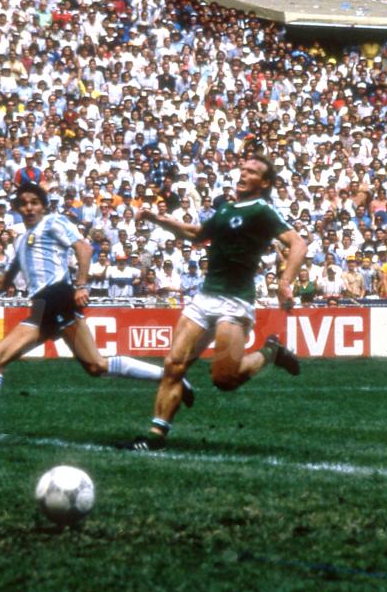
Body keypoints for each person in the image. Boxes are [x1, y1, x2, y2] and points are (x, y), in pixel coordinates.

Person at [0, 183, 194, 446]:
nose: (29, 207)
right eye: (23, 203)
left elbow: (84, 248)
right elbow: (5, 281)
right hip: (41, 305)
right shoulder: (20, 239)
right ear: (16, 208)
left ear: (43, 205)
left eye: (34, 202)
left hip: (58, 297)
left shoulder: (53, 222)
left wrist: (81, 285)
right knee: (6, 358)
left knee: (93, 365)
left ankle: (172, 378)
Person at [119, 154, 307, 451]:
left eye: (252, 171)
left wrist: (285, 283)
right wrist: (160, 220)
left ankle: (270, 351)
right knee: (173, 365)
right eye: (242, 168)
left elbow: (298, 243)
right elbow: (196, 234)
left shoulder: (262, 211)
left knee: (224, 379)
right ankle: (156, 434)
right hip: (205, 298)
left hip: (235, 302)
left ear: (265, 182)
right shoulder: (225, 208)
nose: (243, 174)